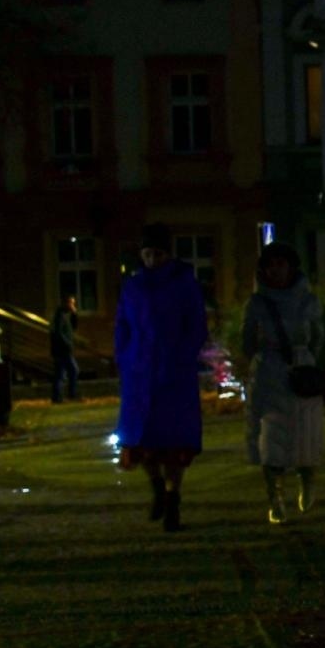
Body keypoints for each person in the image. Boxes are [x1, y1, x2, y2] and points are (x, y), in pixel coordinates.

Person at [114, 223, 208, 531]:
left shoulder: (183, 283)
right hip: (140, 372)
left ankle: (172, 497)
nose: (152, 260)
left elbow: (195, 325)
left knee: (175, 443)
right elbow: (123, 326)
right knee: (142, 442)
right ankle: (157, 486)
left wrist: (182, 355)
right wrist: (126, 357)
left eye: (157, 254)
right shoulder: (133, 286)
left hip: (174, 372)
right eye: (147, 254)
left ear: (167, 254)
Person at [241, 244, 325, 525]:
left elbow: (318, 336)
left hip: (301, 371)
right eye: (271, 265)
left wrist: (307, 358)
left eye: (281, 264)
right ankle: (274, 498)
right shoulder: (257, 303)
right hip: (269, 373)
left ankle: (306, 480)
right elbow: (247, 341)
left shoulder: (307, 301)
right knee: (270, 437)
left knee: (305, 434)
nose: (276, 270)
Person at [50, 294, 79, 403]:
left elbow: (74, 327)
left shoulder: (66, 315)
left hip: (62, 350)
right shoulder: (60, 316)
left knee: (61, 373)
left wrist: (75, 313)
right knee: (71, 371)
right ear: (65, 303)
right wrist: (68, 344)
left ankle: (58, 397)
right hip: (62, 350)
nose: (72, 305)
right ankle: (69, 395)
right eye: (71, 303)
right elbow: (58, 333)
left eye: (73, 303)